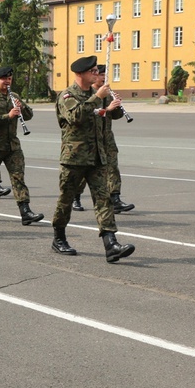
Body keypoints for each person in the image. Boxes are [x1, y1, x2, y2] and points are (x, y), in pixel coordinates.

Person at [52, 56, 135, 263]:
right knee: (66, 200)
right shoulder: (67, 95)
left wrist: (113, 106)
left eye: (98, 71)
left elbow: (109, 116)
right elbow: (76, 117)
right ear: (80, 73)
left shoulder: (98, 94)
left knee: (103, 199)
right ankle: (59, 238)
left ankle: (111, 243)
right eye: (93, 71)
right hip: (74, 158)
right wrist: (98, 97)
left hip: (97, 157)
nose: (97, 74)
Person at [0, 67, 44, 226]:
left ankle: (25, 211)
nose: (7, 82)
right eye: (4, 79)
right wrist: (8, 116)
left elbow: (29, 115)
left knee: (18, 177)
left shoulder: (14, 96)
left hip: (12, 145)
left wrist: (22, 108)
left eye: (9, 79)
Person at [72, 64, 134, 214]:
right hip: (92, 139)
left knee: (113, 167)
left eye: (105, 76)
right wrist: (108, 109)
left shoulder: (106, 93)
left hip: (107, 137)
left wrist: (117, 106)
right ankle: (76, 197)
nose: (103, 78)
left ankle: (115, 198)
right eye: (101, 75)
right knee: (85, 172)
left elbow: (114, 116)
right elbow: (88, 114)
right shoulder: (91, 94)